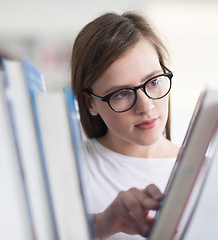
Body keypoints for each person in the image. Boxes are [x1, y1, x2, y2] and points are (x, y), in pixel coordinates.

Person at [70, 11, 180, 240]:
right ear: (91, 103)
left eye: (154, 81)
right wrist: (100, 226)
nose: (146, 106)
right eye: (121, 93)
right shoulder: (67, 170)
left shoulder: (208, 169)